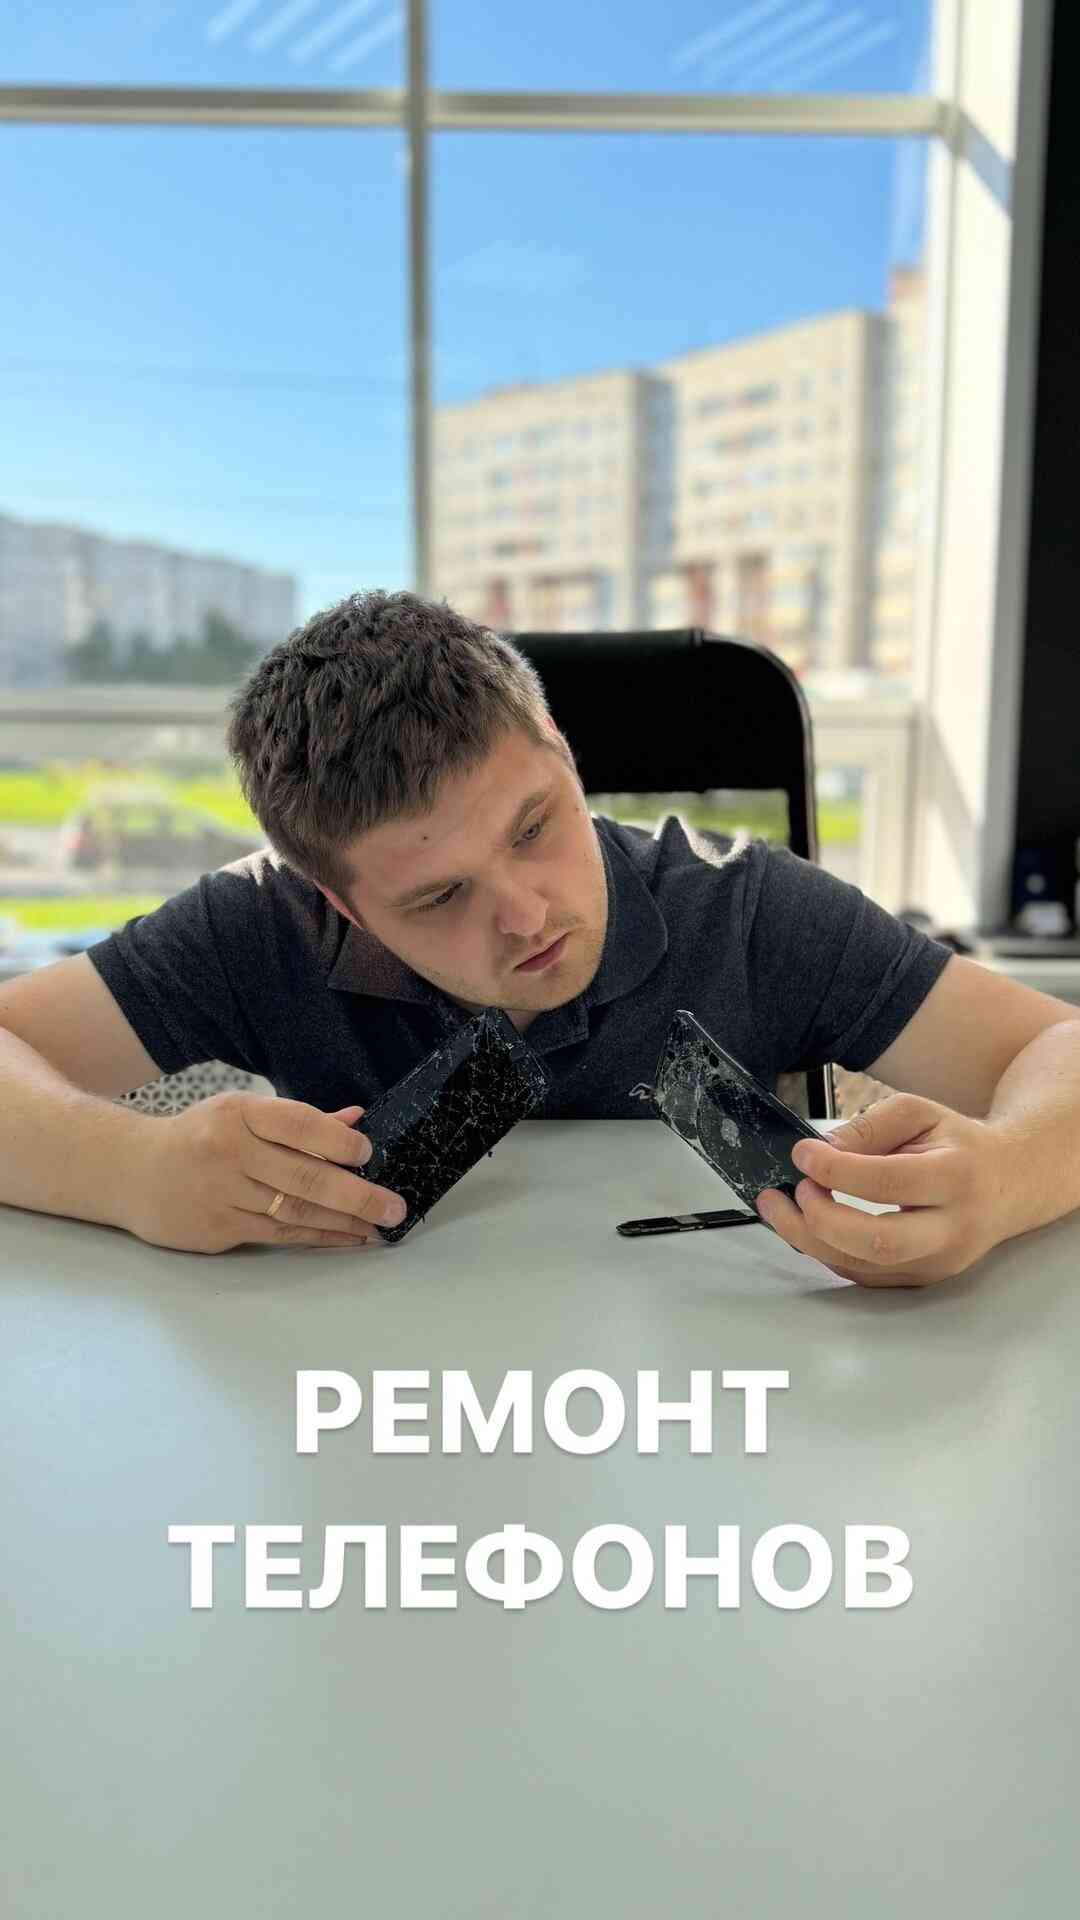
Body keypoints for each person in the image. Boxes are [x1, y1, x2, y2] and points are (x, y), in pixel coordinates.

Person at [2, 589, 1079, 1287]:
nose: (526, 917)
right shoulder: (255, 923)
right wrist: (130, 1169)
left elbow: (1057, 1046)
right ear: (341, 904)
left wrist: (1007, 1175)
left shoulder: (749, 909)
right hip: (380, 1413)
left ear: (563, 752)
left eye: (534, 827)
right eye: (438, 897)